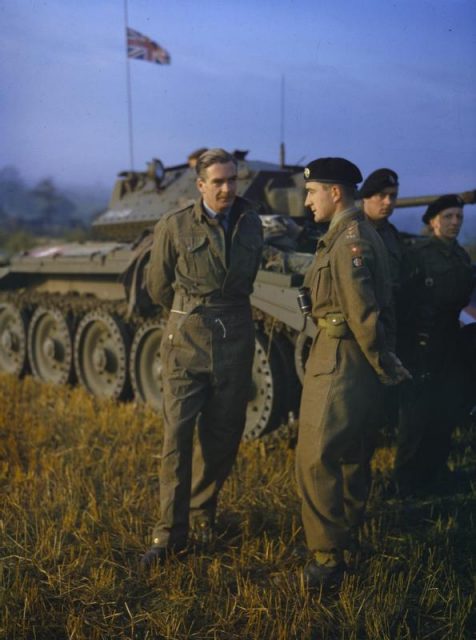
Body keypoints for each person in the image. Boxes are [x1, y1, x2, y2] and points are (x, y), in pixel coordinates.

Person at [141, 148, 263, 568]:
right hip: (187, 343)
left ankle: (202, 515)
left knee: (222, 436)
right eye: (218, 182)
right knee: (176, 439)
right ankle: (168, 534)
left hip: (234, 339)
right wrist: (188, 314)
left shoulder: (251, 224)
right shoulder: (174, 226)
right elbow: (157, 286)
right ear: (200, 185)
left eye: (232, 180)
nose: (228, 188)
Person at [295, 157, 410, 589]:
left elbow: (364, 314)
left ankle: (326, 560)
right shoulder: (362, 235)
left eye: (312, 192)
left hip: (340, 359)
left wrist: (385, 365)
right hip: (354, 360)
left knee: (315, 458)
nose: (307, 201)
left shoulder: (348, 242)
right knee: (351, 454)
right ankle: (347, 538)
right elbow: (384, 309)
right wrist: (385, 362)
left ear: (335, 193)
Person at [393, 194, 474, 496]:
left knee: (445, 412)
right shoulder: (418, 254)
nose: (454, 223)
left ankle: (434, 475)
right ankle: (405, 483)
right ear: (432, 221)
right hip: (422, 342)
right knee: (416, 417)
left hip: (450, 342)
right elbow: (403, 300)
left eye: (459, 218)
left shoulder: (461, 256)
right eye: (448, 217)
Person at [360, 168, 404, 296]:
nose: (388, 202)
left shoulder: (392, 234)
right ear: (366, 197)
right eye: (381, 195)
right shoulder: (353, 231)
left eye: (393, 196)